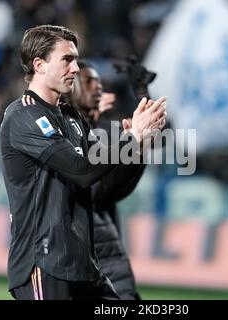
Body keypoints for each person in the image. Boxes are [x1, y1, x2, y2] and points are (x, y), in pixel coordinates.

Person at [0, 25, 166, 300]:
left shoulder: (71, 116)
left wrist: (139, 145)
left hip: (84, 267)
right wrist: (130, 138)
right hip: (43, 265)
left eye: (76, 59)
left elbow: (107, 182)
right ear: (39, 65)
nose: (75, 68)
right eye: (67, 59)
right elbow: (82, 170)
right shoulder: (23, 115)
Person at [70, 60, 147, 299]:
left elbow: (119, 185)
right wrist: (135, 142)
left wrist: (142, 94)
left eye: (99, 81)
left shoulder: (103, 130)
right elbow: (100, 189)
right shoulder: (62, 134)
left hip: (105, 248)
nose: (98, 86)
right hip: (82, 254)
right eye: (90, 81)